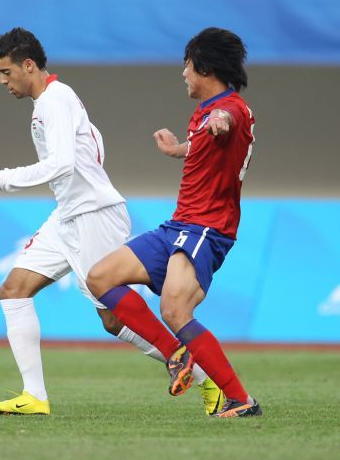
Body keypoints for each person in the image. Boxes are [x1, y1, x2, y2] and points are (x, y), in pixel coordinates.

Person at [0, 27, 223, 416]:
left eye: (6, 72)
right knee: (13, 290)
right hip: (69, 213)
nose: (3, 81)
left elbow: (62, 163)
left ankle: (206, 377)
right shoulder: (52, 102)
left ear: (28, 65)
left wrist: (4, 178)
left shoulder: (55, 99)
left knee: (112, 318)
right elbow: (93, 144)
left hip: (92, 215)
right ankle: (34, 396)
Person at [86, 27, 261, 418]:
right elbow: (208, 141)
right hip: (178, 225)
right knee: (99, 278)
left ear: (205, 68)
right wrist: (178, 149)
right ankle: (175, 354)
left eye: (187, 65)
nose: (183, 73)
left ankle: (241, 401)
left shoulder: (229, 109)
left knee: (175, 309)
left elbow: (225, 121)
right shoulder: (203, 112)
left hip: (206, 229)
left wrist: (219, 121)